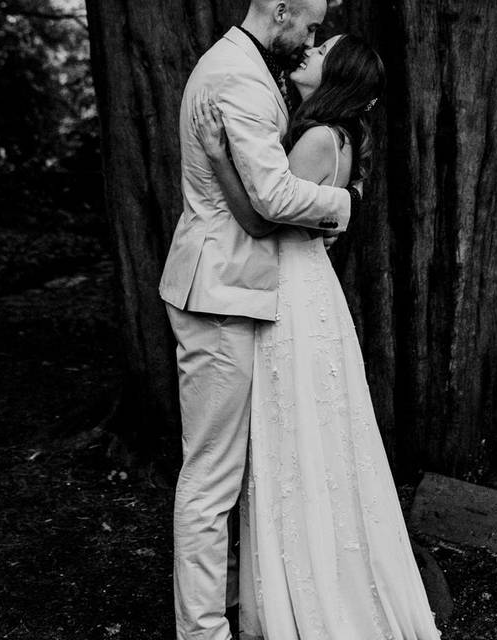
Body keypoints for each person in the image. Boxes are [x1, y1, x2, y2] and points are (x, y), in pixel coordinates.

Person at [190, 34, 442, 640]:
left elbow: (260, 220)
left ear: (337, 75)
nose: (308, 51)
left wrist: (219, 159)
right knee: (318, 440)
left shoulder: (315, 139)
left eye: (321, 49)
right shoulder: (340, 137)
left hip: (292, 297)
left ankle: (313, 599)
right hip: (309, 289)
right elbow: (316, 221)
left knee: (295, 440)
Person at [158, 1, 363, 639]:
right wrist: (345, 201)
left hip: (241, 289)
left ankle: (250, 605)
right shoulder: (238, 77)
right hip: (219, 292)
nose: (311, 40)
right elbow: (271, 198)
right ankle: (202, 633)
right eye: (309, 26)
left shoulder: (253, 64)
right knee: (211, 474)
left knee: (245, 467)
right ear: (280, 11)